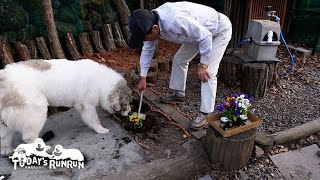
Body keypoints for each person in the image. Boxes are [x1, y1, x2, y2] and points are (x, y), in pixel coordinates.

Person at [128, 1, 232, 130]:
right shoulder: (150, 23)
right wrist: (143, 77)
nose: (145, 41)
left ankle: (206, 113)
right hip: (197, 34)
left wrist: (203, 64)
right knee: (179, 59)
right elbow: (147, 51)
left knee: (208, 72)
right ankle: (179, 95)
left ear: (155, 28)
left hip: (217, 31)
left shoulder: (174, 21)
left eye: (144, 38)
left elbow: (205, 36)